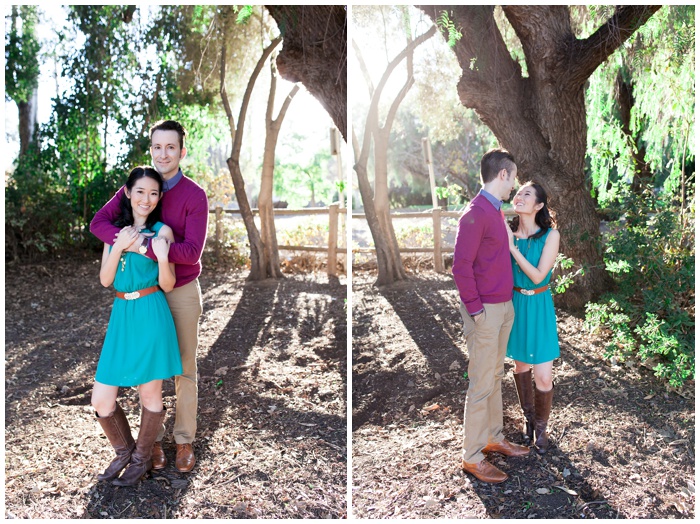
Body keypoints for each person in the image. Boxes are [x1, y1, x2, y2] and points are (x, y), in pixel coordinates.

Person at [91, 120, 208, 473]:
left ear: (181, 151)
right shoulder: (142, 183)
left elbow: (190, 252)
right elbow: (100, 224)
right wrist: (128, 242)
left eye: (170, 147)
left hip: (180, 287)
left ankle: (184, 440)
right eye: (157, 147)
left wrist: (146, 247)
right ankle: (151, 446)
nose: (163, 153)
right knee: (148, 371)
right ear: (151, 150)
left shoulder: (194, 195)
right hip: (143, 294)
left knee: (184, 368)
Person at [91, 166, 182, 486]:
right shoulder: (113, 231)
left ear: (159, 198)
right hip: (121, 317)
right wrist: (118, 246)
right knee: (101, 399)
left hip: (151, 313)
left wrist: (160, 255)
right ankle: (126, 452)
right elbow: (105, 279)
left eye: (154, 193)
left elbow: (168, 284)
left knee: (150, 395)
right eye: (140, 191)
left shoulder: (163, 232)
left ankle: (142, 461)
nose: (147, 199)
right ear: (127, 193)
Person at [453, 148, 529, 484]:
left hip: (504, 307)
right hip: (485, 312)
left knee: (494, 376)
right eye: (513, 178)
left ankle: (493, 438)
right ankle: (472, 457)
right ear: (503, 175)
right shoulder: (476, 213)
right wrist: (476, 311)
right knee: (481, 384)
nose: (514, 185)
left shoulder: (495, 211)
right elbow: (460, 267)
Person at [505, 182, 560, 454]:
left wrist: (512, 248)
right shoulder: (506, 231)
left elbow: (538, 275)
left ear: (538, 205)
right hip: (515, 305)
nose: (519, 196)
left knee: (544, 377)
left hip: (539, 304)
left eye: (527, 194)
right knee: (520, 368)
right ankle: (529, 423)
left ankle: (541, 427)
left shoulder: (550, 235)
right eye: (518, 192)